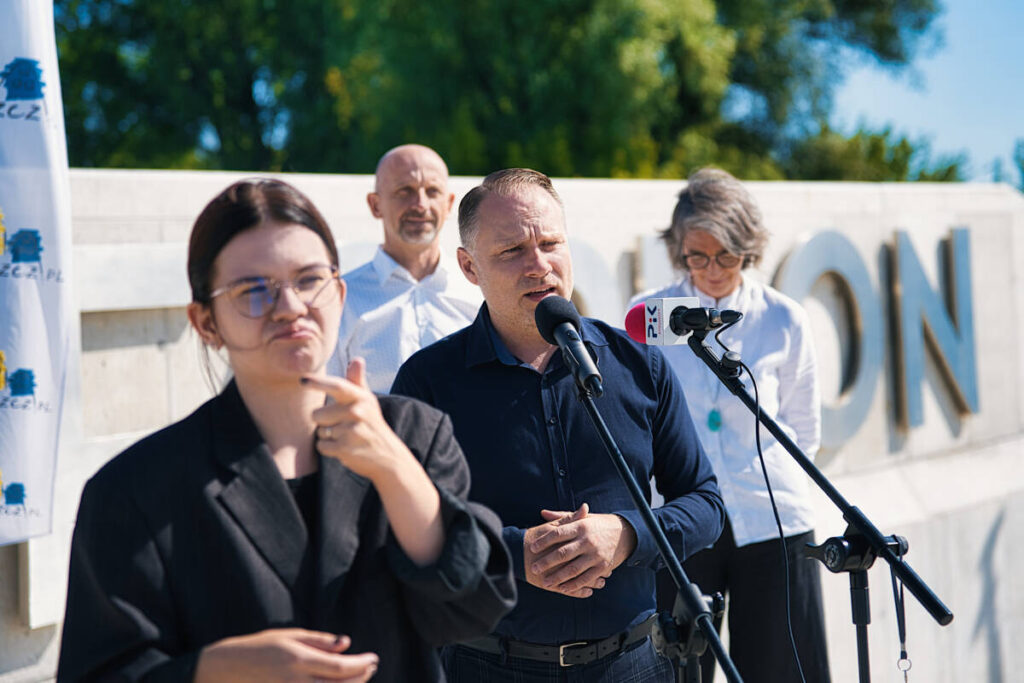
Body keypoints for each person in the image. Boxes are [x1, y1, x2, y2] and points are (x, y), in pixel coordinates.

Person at [58, 179, 515, 682]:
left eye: (308, 280)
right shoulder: (135, 489)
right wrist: (218, 669)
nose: (290, 306)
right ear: (205, 322)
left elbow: (474, 607)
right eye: (252, 290)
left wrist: (395, 470)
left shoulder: (414, 434)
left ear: (339, 295)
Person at [391, 168, 725, 682]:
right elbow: (402, 528)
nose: (539, 265)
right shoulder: (428, 381)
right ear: (469, 266)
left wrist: (627, 535)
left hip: (637, 664)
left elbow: (705, 505)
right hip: (488, 666)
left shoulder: (640, 364)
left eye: (551, 243)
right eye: (512, 251)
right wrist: (512, 554)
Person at [631, 167, 831, 682]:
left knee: (783, 669)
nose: (712, 269)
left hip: (773, 523)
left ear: (749, 248)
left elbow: (803, 432)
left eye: (727, 255)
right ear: (679, 249)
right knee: (676, 670)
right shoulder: (647, 316)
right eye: (697, 255)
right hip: (681, 522)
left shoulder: (783, 319)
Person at [328, 144, 481, 393]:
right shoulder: (341, 300)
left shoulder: (480, 292)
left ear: (449, 203)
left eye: (432, 191)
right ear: (375, 205)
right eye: (405, 191)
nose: (420, 204)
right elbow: (326, 398)